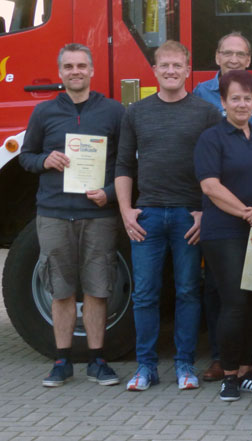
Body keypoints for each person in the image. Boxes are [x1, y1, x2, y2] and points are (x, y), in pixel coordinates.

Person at [116, 40, 221, 391]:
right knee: (144, 294)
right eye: (165, 66)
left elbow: (214, 168)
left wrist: (205, 212)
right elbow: (123, 165)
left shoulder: (206, 113)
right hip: (146, 217)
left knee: (188, 292)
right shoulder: (136, 113)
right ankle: (145, 367)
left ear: (188, 70)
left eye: (178, 65)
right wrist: (126, 211)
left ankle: (184, 365)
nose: (172, 71)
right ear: (155, 71)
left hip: (188, 218)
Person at [19, 43, 125, 388]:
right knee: (60, 289)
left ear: (92, 71)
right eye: (69, 66)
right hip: (53, 214)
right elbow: (26, 156)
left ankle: (97, 360)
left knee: (98, 288)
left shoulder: (113, 111)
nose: (76, 71)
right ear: (61, 72)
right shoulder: (43, 113)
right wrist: (45, 160)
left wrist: (109, 193)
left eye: (81, 65)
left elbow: (126, 162)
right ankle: (62, 360)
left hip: (98, 214)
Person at [194, 70, 252, 401]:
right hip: (225, 232)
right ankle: (230, 374)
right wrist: (249, 213)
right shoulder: (212, 138)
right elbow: (210, 186)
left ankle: (250, 370)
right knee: (234, 301)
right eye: (234, 98)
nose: (241, 104)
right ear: (222, 102)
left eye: (247, 98)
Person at [193, 32, 252, 134]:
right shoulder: (202, 92)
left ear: (248, 60)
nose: (234, 60)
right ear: (217, 57)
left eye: (240, 54)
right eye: (228, 53)